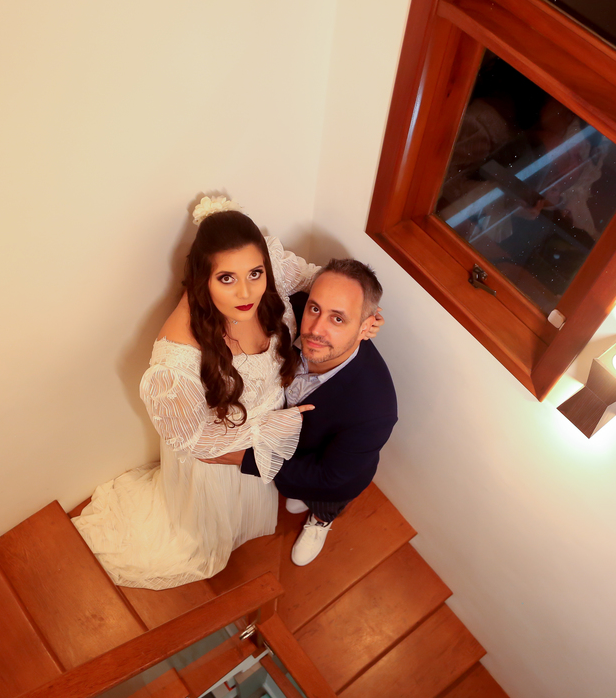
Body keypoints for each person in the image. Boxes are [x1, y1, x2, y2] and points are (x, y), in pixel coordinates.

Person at [71, 198, 319, 589]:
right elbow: (195, 442)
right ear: (203, 278)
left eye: (255, 273)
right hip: (222, 458)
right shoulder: (177, 362)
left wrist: (359, 313)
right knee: (210, 525)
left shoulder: (268, 269)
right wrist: (261, 442)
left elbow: (313, 278)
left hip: (258, 439)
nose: (246, 292)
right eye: (227, 278)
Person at [202, 259, 397, 566]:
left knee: (324, 499)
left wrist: (244, 458)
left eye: (338, 319)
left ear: (365, 328)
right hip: (292, 445)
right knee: (294, 487)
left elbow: (328, 476)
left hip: (335, 477)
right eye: (315, 309)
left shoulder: (376, 410)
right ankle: (298, 493)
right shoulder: (293, 309)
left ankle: (320, 521)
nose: (315, 330)